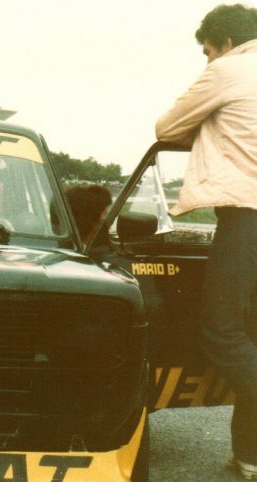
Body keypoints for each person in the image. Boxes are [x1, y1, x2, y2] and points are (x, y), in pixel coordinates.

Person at [155, 4, 257, 478]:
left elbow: (167, 129)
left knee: (223, 332)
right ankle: (251, 455)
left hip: (247, 219)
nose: (208, 60)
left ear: (226, 43)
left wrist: (209, 123)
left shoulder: (229, 69)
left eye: (208, 51)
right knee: (252, 335)